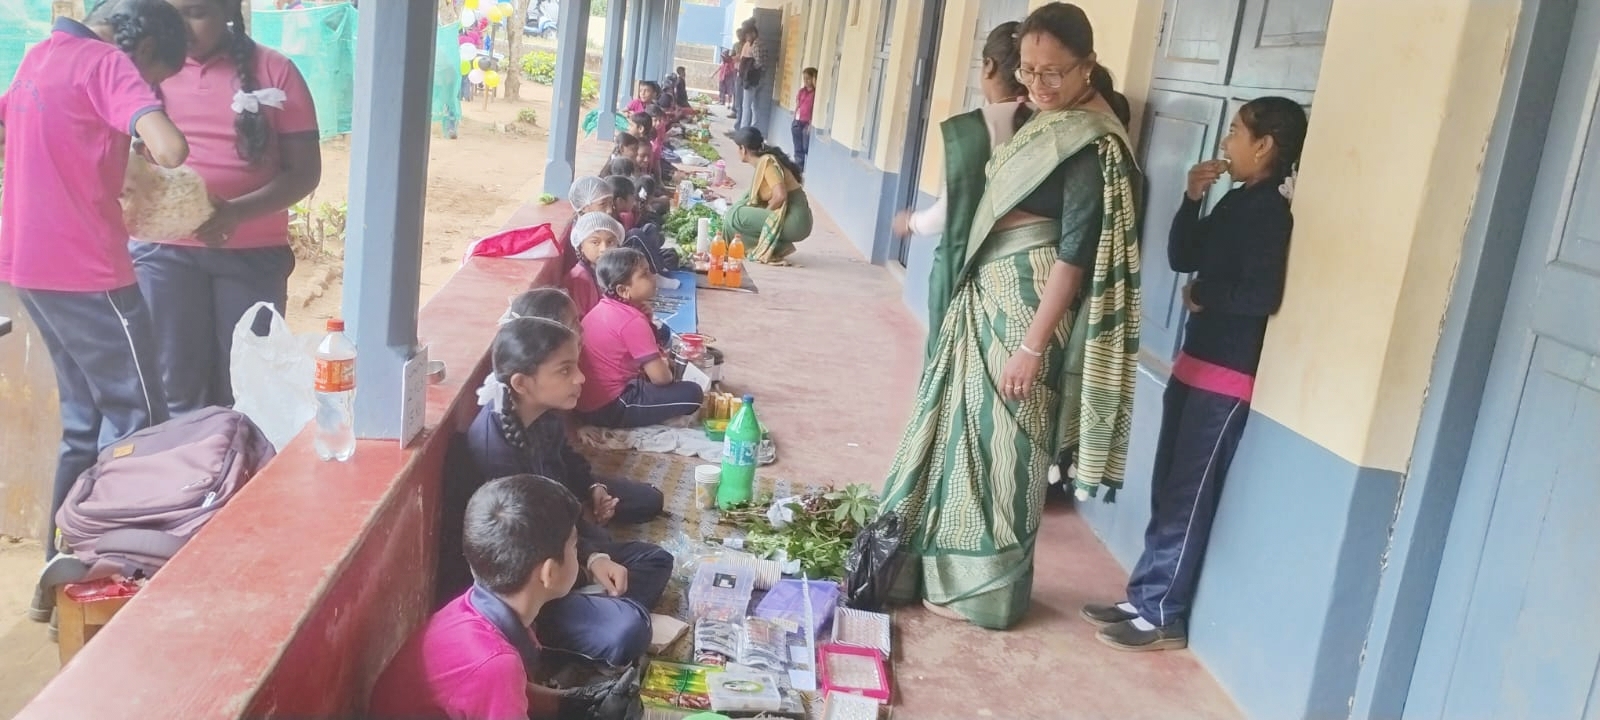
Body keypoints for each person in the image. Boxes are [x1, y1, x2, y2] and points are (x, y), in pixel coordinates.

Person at [877, 2, 1143, 630]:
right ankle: (937, 570)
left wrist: (1031, 345)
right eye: (1028, 72)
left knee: (1007, 455)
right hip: (987, 295)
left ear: (1088, 68)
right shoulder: (1045, 120)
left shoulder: (1091, 141)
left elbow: (1075, 254)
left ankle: (987, 590)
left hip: (1027, 315)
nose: (1039, 86)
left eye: (1054, 73)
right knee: (959, 440)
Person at [1084, 97, 1307, 652]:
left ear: (1265, 147)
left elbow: (1259, 295)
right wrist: (1191, 199)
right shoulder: (1236, 202)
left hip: (1226, 378)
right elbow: (1184, 255)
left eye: (1236, 132)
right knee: (1167, 487)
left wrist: (1204, 294)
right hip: (1194, 365)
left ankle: (1163, 613)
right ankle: (1143, 598)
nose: (1226, 141)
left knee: (1186, 497)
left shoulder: (1271, 214)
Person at [2, 0, 190, 584]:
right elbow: (171, 150)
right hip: (91, 273)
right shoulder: (108, 64)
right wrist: (146, 118)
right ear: (147, 49)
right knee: (139, 419)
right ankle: (108, 565)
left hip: (27, 266)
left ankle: (59, 560)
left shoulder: (38, 56)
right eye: (157, 79)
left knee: (84, 420)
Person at [132, 0, 322, 417]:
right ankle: (188, 478)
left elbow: (305, 173)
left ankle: (239, 478)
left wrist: (234, 214)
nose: (181, 27)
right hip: (163, 254)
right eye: (172, 14)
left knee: (249, 388)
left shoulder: (277, 71)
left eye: (196, 13)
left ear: (229, 12)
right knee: (174, 386)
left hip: (252, 255)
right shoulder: (140, 73)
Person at [462, 318, 674, 667]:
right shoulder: (494, 452)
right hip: (529, 587)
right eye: (565, 370)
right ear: (521, 383)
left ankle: (602, 608)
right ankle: (559, 638)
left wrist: (593, 493)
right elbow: (534, 546)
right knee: (629, 629)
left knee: (654, 560)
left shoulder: (540, 412)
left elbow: (567, 477)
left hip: (562, 552)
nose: (580, 378)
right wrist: (592, 559)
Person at [369, 475, 641, 719]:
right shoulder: (495, 663)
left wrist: (575, 702)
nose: (578, 552)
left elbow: (510, 689)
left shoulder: (477, 607)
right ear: (548, 572)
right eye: (573, 546)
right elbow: (498, 681)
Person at [893, 21, 1029, 357]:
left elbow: (948, 214)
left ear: (989, 66)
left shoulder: (973, 131)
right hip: (1018, 271)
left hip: (962, 263)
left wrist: (911, 223)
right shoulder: (1041, 123)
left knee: (946, 356)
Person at [576, 249, 704, 428]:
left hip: (587, 403)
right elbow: (661, 379)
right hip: (609, 407)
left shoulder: (606, 306)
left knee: (663, 345)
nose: (653, 277)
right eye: (644, 274)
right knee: (692, 393)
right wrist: (667, 369)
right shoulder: (632, 320)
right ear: (623, 290)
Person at [722, 127, 813, 265]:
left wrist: (765, 217)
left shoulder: (767, 162)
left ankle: (774, 246)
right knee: (740, 207)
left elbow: (780, 195)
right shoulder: (763, 163)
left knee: (735, 215)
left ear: (743, 149)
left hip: (796, 221)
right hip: (794, 219)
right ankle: (772, 247)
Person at [564, 212, 625, 318]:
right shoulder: (579, 278)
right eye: (595, 242)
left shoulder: (605, 271)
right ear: (581, 246)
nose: (604, 249)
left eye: (610, 242)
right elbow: (581, 322)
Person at [557, 176, 614, 273]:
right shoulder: (580, 234)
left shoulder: (602, 225)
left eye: (611, 204)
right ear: (584, 207)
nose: (609, 210)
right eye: (603, 204)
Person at [737, 26, 763, 130]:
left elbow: (759, 62)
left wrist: (748, 69)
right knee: (754, 106)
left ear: (753, 33)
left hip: (752, 79)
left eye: (747, 35)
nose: (746, 38)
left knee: (746, 106)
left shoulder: (756, 45)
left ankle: (744, 130)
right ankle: (753, 128)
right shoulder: (756, 43)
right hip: (756, 79)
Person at [792, 67, 817, 172]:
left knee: (805, 145)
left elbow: (814, 109)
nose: (806, 81)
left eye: (808, 79)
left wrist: (811, 124)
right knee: (797, 145)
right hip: (798, 121)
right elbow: (797, 105)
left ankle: (805, 164)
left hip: (807, 122)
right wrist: (794, 119)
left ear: (813, 79)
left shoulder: (815, 93)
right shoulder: (802, 91)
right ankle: (799, 167)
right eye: (804, 79)